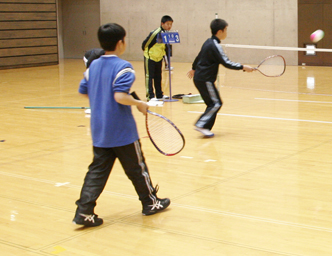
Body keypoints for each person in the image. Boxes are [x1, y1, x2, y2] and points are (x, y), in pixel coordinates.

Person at [74, 23, 170, 227]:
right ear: (121, 43)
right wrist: (139, 104)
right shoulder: (123, 67)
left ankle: (84, 211)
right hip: (122, 131)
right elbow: (119, 96)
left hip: (100, 131)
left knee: (97, 171)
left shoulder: (93, 67)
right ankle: (150, 203)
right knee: (137, 168)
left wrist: (100, 95)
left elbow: (84, 91)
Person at [186, 18, 254, 137]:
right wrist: (243, 67)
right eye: (225, 30)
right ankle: (201, 124)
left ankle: (205, 128)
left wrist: (193, 68)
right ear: (220, 31)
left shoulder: (207, 42)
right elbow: (226, 62)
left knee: (213, 103)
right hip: (205, 79)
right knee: (216, 103)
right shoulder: (215, 45)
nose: (226, 32)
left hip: (201, 78)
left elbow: (198, 56)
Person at [142, 15, 174, 103]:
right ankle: (150, 96)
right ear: (162, 23)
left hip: (159, 58)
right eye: (167, 24)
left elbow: (166, 47)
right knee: (149, 77)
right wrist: (147, 52)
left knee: (158, 77)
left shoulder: (167, 34)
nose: (169, 26)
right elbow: (145, 43)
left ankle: (159, 95)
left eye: (171, 24)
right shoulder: (156, 33)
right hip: (150, 57)